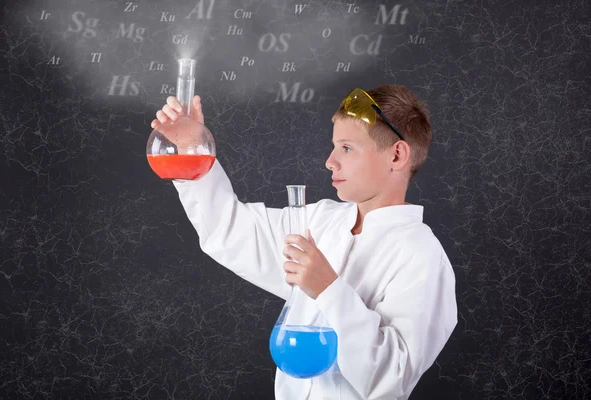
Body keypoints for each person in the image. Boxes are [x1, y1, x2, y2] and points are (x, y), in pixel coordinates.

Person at [150, 85, 458, 400]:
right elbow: (228, 230)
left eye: (347, 148)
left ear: (396, 155)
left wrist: (329, 289)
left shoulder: (422, 256)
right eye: (334, 145)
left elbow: (391, 378)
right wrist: (192, 148)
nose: (330, 161)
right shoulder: (320, 222)